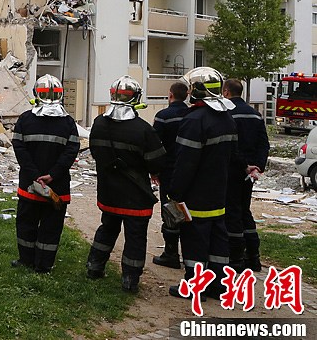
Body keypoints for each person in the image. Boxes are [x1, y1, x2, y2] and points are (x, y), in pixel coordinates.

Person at [86, 76, 166, 293]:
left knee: (107, 229)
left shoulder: (99, 123)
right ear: (135, 98)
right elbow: (157, 161)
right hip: (135, 195)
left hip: (108, 192)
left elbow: (95, 152)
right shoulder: (143, 129)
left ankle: (94, 266)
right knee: (135, 238)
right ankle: (130, 279)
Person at [168, 67, 237, 300]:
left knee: (195, 240)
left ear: (196, 91)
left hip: (197, 193)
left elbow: (185, 162)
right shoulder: (226, 117)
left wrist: (175, 192)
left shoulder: (194, 120)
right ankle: (219, 285)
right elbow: (234, 157)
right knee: (218, 239)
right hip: (219, 191)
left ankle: (194, 286)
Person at [11, 75, 80, 274]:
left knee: (26, 224)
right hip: (57, 186)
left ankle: (26, 260)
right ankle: (44, 265)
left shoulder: (25, 119)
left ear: (35, 94)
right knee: (51, 227)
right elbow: (71, 152)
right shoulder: (68, 123)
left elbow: (20, 150)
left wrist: (34, 175)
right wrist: (53, 175)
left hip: (29, 185)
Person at [222, 78, 269, 272]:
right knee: (245, 210)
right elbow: (264, 144)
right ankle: (253, 256)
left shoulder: (227, 114)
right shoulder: (256, 115)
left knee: (231, 211)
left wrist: (244, 165)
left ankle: (236, 259)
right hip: (250, 174)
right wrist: (257, 166)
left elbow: (231, 145)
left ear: (226, 92)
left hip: (233, 170)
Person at [152, 81, 190, 269]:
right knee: (188, 209)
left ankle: (171, 252)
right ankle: (190, 252)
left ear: (170, 95)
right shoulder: (193, 115)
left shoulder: (163, 116)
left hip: (168, 171)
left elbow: (155, 145)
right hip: (190, 171)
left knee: (170, 211)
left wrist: (154, 170)